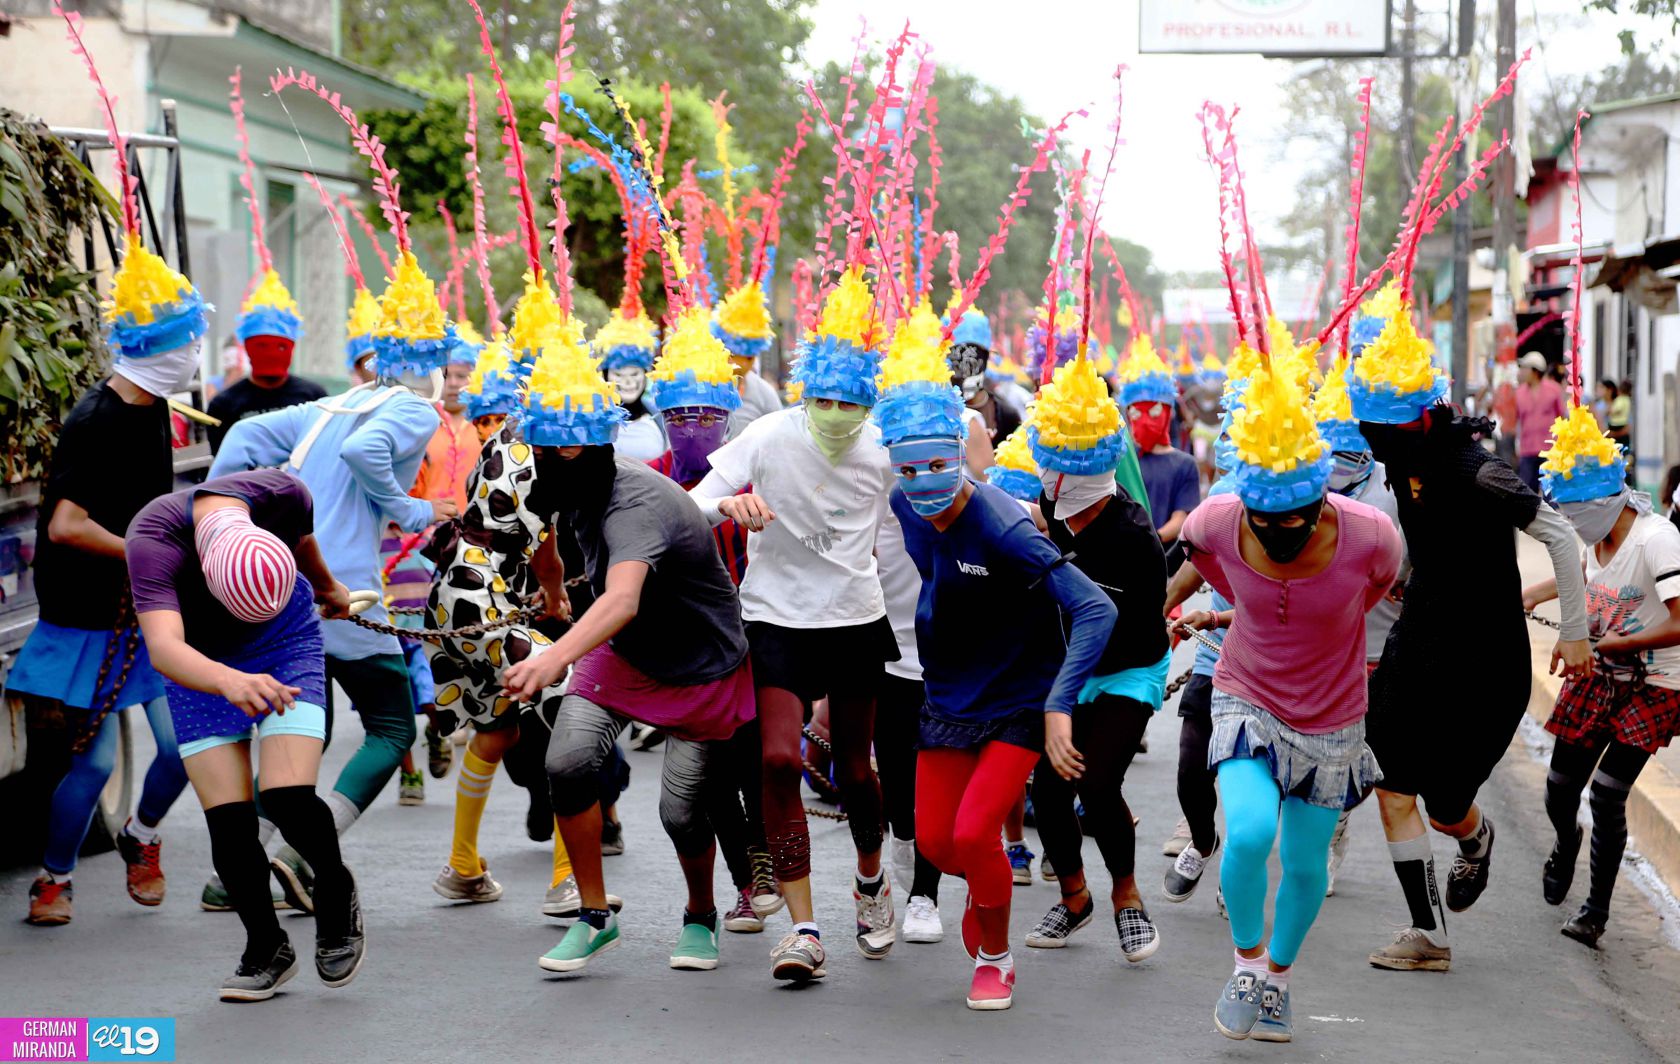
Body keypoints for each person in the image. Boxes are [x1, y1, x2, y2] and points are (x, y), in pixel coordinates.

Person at [494, 304, 756, 975]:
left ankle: (701, 913)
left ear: (601, 443)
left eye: (567, 447)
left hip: (698, 665)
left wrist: (555, 654)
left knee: (679, 814)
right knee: (566, 763)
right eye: (543, 447)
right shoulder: (562, 481)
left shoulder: (632, 504)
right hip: (625, 650)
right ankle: (592, 914)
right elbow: (547, 538)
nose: (552, 458)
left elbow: (621, 596)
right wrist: (550, 589)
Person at [1352, 301, 1591, 973]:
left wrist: (1574, 632)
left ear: (1421, 417)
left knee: (1445, 803)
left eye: (1383, 429)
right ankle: (1428, 935)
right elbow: (1420, 532)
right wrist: (1400, 577)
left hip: (1486, 662)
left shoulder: (1474, 469)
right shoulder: (1397, 454)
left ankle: (1476, 837)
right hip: (1417, 644)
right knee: (1393, 786)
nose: (1373, 441)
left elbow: (1560, 535)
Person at [208, 250, 452, 909]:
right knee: (394, 729)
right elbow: (364, 453)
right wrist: (412, 510)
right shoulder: (413, 408)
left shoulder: (334, 404)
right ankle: (300, 857)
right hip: (345, 592)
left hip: (283, 587)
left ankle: (231, 874)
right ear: (430, 359)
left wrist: (229, 519)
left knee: (302, 733)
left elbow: (243, 441)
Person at [883, 330, 1116, 1010]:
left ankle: (996, 954)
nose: (921, 480)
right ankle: (988, 896)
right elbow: (939, 577)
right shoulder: (905, 504)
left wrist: (1058, 704)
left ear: (959, 456)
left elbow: (1095, 610)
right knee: (935, 842)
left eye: (934, 465)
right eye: (907, 468)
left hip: (1019, 700)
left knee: (971, 832)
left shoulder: (1005, 528)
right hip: (948, 697)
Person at [1177, 355, 1401, 1043]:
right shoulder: (1219, 518)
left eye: (1294, 518)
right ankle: (1246, 963)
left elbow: (1377, 589)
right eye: (1263, 519)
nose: (1277, 532)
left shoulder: (1371, 533)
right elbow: (1200, 556)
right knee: (1247, 830)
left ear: (1321, 499)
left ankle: (1277, 979)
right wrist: (1188, 615)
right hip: (1246, 695)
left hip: (1334, 715)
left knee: (1305, 864)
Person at [15, 235, 206, 926]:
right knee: (94, 768)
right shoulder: (94, 420)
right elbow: (66, 524)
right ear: (156, 345)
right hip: (86, 617)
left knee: (189, 746)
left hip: (145, 609)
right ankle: (52, 880)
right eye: (187, 341)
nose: (195, 355)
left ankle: (141, 835)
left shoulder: (155, 407)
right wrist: (139, 550)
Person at [126, 468, 362, 1002]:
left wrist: (328, 588)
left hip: (286, 639)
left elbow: (302, 541)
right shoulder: (153, 542)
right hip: (199, 659)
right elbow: (165, 648)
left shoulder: (282, 492)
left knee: (285, 796)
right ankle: (267, 947)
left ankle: (335, 891)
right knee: (229, 824)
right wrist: (229, 680)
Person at [420, 327, 601, 919]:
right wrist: (555, 600)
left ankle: (463, 868)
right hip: (482, 598)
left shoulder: (501, 445)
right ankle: (567, 878)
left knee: (497, 727)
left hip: (454, 591)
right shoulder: (545, 458)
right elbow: (546, 553)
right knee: (564, 705)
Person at [1019, 342, 1170, 962]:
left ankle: (1127, 899)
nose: (1047, 479)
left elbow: (1122, 629)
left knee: (1096, 781)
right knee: (1047, 789)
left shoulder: (1134, 536)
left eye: (1056, 469)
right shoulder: (1050, 517)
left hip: (1128, 668)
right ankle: (1075, 897)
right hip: (1069, 672)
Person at [1526, 405, 1680, 947]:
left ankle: (1595, 912)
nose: (1566, 523)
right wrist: (1524, 599)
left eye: (1572, 512)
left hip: (1656, 683)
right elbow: (1574, 575)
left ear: (1605, 501)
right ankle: (1566, 841)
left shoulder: (1657, 541)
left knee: (1610, 795)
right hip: (1597, 671)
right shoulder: (1591, 539)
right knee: (1558, 790)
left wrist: (1626, 642)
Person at [647, 307, 776, 934]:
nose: (693, 426)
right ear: (660, 419)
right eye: (678, 415)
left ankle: (765, 859)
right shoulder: (647, 480)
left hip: (752, 636)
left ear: (728, 417)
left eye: (705, 415)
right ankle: (747, 881)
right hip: (688, 645)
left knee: (755, 759)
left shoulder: (755, 475)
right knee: (714, 770)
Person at [207, 271, 326, 453]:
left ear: (291, 348)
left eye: (280, 347)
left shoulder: (314, 397)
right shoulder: (224, 404)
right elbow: (223, 459)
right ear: (247, 348)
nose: (271, 354)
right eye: (261, 346)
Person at [1120, 336, 1200, 569]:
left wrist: (1153, 538)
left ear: (1167, 413)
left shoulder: (1184, 463)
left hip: (1165, 560)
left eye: (1153, 412)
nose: (1144, 421)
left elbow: (1182, 517)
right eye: (1136, 413)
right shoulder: (1123, 459)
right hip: (1124, 558)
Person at [594, 308, 668, 462]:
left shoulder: (661, 417)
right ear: (606, 376)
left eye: (634, 374)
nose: (628, 382)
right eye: (619, 375)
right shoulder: (593, 418)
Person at [1512, 351, 1566, 493]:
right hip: (1527, 450)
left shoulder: (1554, 389)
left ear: (1535, 371)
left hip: (1550, 449)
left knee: (1551, 493)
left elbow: (1562, 417)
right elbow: (1517, 421)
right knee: (1527, 493)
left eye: (1525, 368)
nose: (1522, 372)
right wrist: (1517, 446)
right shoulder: (1519, 393)